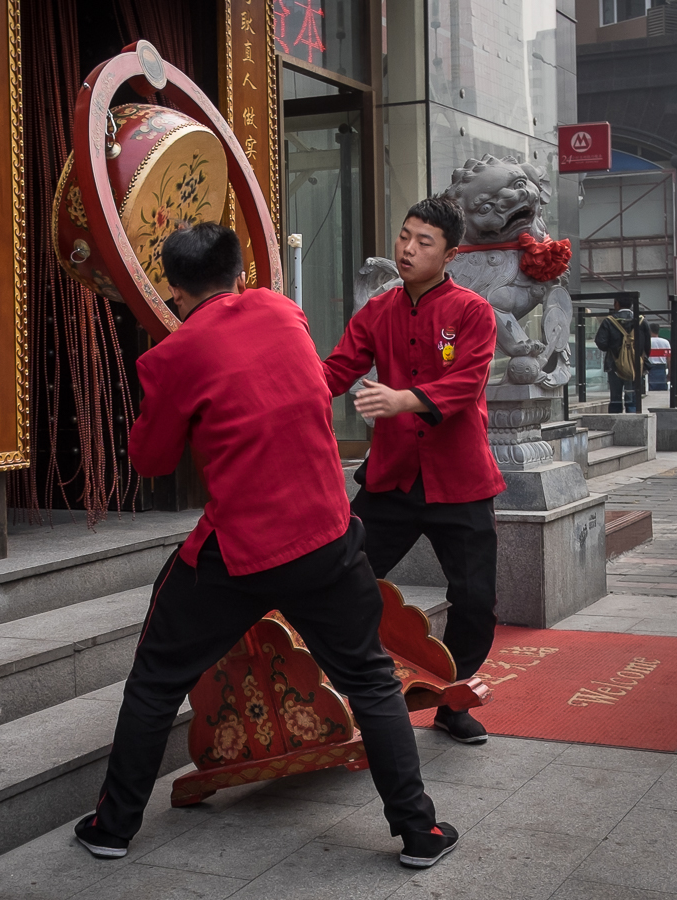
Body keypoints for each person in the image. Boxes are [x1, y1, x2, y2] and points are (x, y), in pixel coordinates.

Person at [74, 222, 458, 869]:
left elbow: (151, 458)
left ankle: (112, 829)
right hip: (327, 538)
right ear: (239, 271)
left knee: (154, 683)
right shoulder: (283, 311)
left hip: (240, 549)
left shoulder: (175, 352)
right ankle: (420, 834)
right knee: (368, 679)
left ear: (172, 287)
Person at [322, 197, 503, 745]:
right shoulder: (377, 311)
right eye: (404, 236)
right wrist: (280, 383)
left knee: (475, 601)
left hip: (461, 480)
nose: (408, 249)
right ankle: (341, 687)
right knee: (337, 578)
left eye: (424, 242)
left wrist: (405, 399)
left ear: (450, 253)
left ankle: (454, 702)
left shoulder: (474, 311)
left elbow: (466, 383)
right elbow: (334, 371)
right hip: (392, 477)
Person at [595, 298, 649, 413]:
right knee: (633, 396)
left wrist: (614, 350)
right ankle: (633, 418)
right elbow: (647, 345)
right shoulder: (641, 321)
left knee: (615, 397)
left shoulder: (609, 321)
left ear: (617, 304)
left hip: (614, 364)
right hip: (636, 365)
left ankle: (615, 420)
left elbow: (601, 342)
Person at [649, 322, 670, 394]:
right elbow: (669, 358)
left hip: (649, 368)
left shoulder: (647, 342)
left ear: (649, 330)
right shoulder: (665, 342)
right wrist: (670, 372)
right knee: (662, 391)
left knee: (650, 390)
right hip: (662, 368)